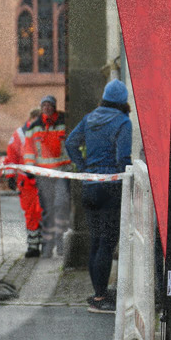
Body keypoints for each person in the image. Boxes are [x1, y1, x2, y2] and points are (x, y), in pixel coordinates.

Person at [65, 80, 132, 314]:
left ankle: (97, 294)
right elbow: (123, 158)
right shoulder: (123, 121)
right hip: (110, 186)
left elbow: (71, 143)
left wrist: (83, 166)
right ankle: (101, 297)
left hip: (89, 184)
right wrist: (127, 178)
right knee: (107, 242)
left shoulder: (89, 118)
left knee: (95, 241)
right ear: (123, 101)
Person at [23, 95, 69, 257]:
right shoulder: (34, 127)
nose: (47, 108)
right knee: (48, 210)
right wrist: (29, 168)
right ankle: (47, 247)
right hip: (44, 175)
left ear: (54, 107)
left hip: (62, 172)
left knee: (61, 206)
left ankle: (61, 242)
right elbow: (29, 149)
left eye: (49, 105)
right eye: (44, 105)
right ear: (41, 108)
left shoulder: (64, 123)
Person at [4, 108, 43, 257]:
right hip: (27, 182)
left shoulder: (44, 132)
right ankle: (33, 246)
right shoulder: (19, 134)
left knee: (43, 212)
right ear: (31, 119)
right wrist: (10, 176)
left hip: (43, 180)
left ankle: (42, 242)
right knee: (31, 214)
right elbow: (11, 157)